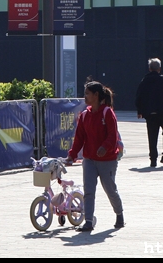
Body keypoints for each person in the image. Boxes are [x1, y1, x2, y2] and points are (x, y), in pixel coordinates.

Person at [64, 81, 125, 232]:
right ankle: (88, 221)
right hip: (89, 160)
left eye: (87, 94)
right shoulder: (85, 115)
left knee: (110, 189)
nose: (85, 97)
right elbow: (79, 139)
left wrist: (105, 147)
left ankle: (119, 214)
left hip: (107, 160)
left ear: (96, 95)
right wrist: (72, 155)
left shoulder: (107, 113)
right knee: (89, 191)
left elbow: (112, 135)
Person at [135, 58, 163, 167]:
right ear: (159, 69)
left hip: (150, 113)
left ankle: (153, 159)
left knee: (152, 136)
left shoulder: (144, 81)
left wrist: (140, 111)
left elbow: (139, 96)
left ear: (149, 68)